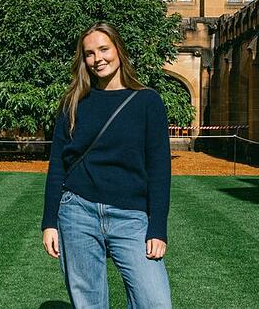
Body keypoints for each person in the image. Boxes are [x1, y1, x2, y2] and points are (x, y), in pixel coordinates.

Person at [41, 22, 172, 308]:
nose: (97, 58)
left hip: (131, 217)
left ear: (118, 50)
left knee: (155, 302)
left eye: (103, 49)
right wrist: (49, 222)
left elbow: (160, 170)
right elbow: (57, 167)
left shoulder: (147, 101)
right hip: (77, 212)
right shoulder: (73, 103)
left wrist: (158, 227)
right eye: (89, 53)